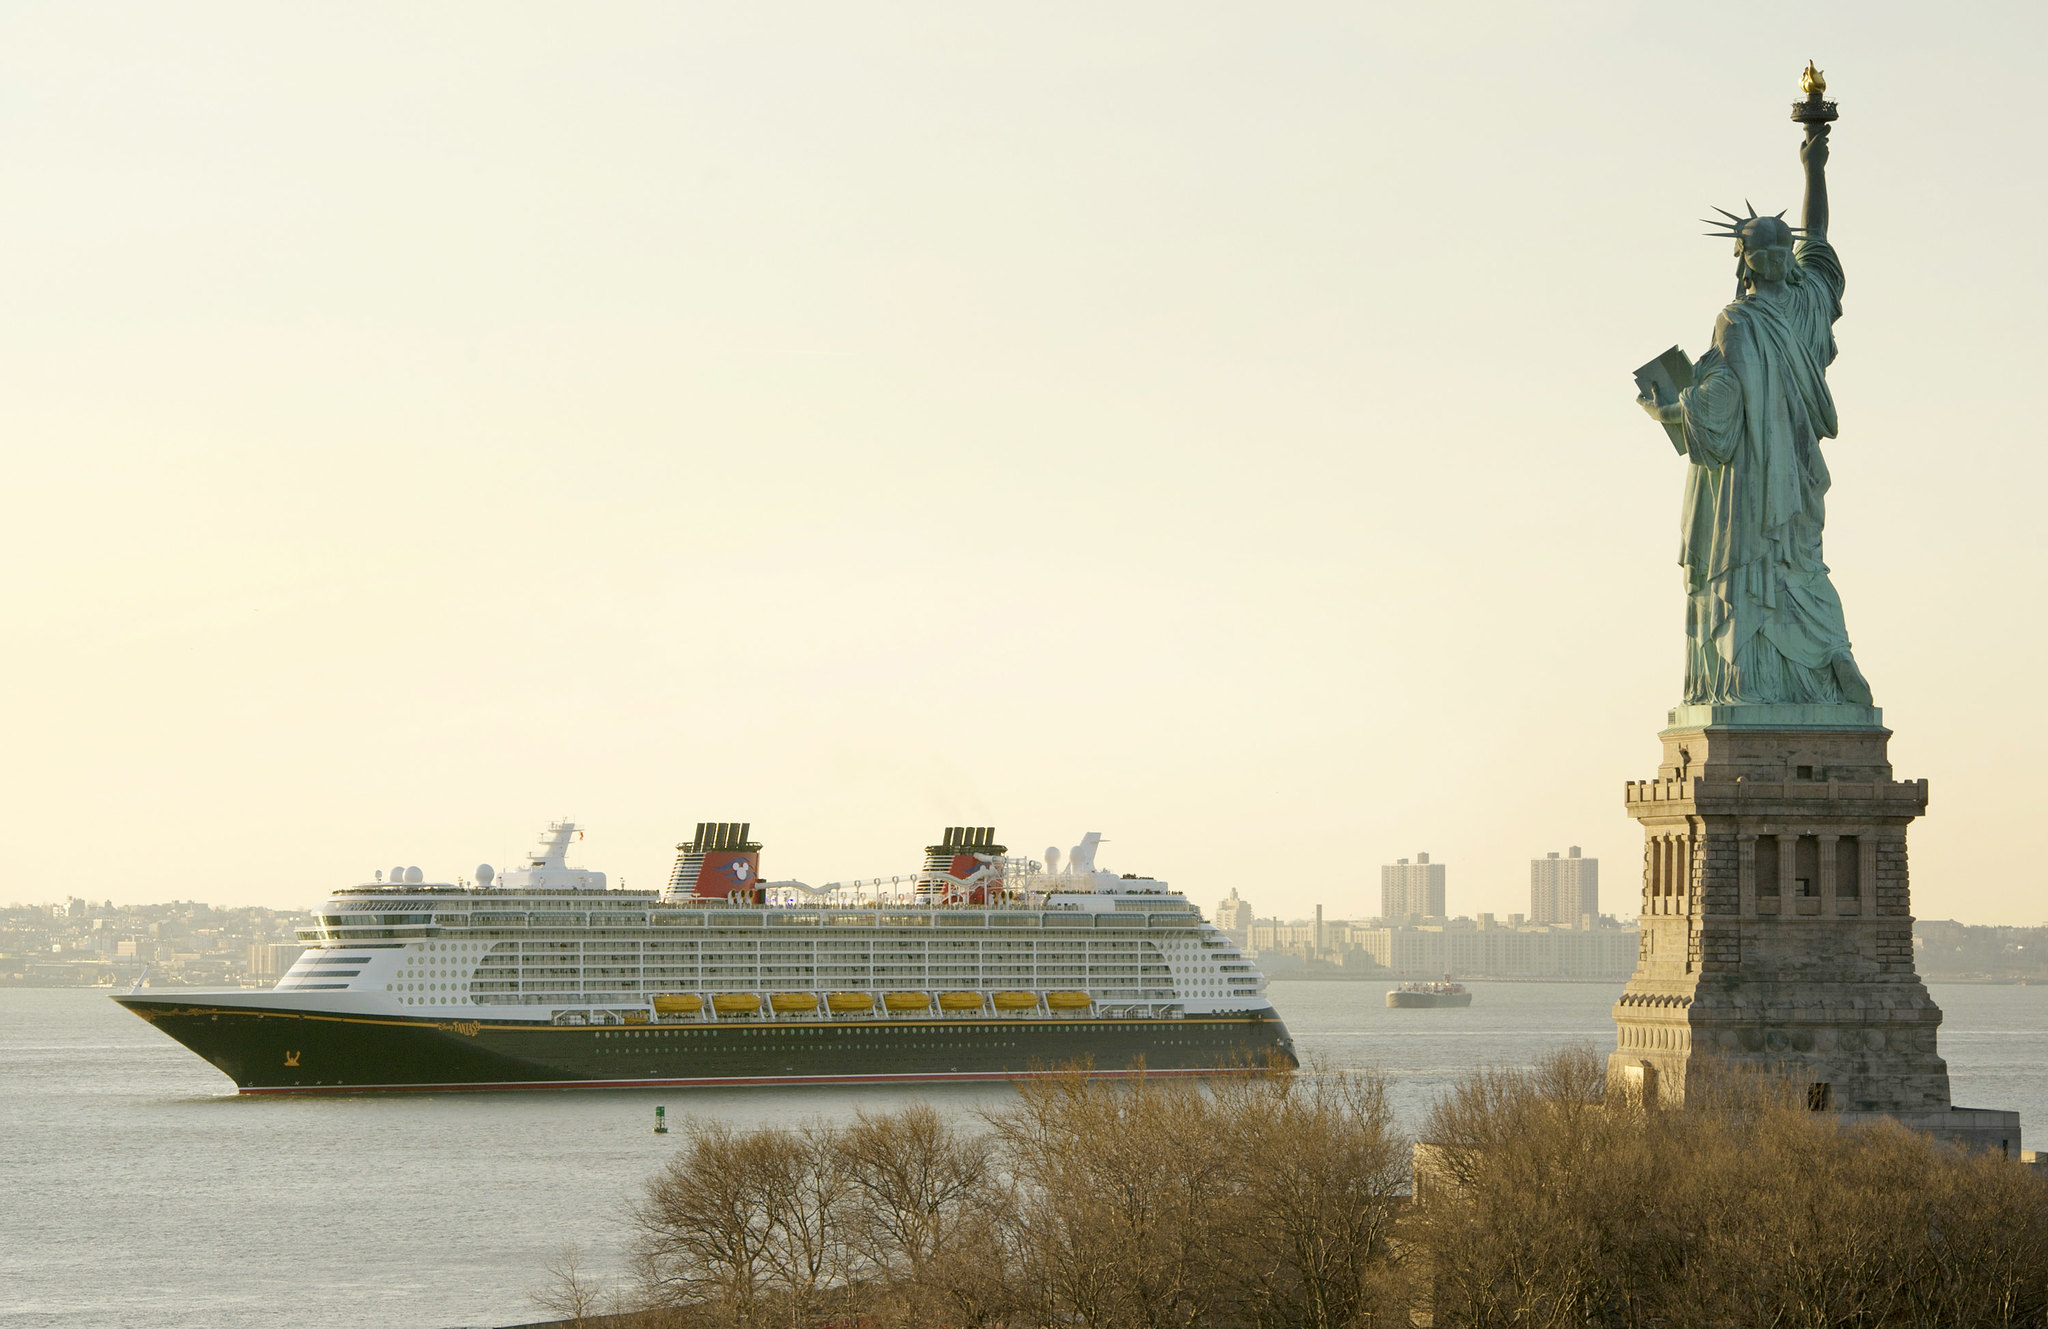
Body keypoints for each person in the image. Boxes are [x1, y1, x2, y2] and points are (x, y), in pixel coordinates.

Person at [1636, 123, 1873, 707]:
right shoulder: (1808, 302)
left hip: (1751, 487)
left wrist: (1666, 408)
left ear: (1744, 261)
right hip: (1793, 475)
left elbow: (1718, 414)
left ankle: (1753, 678)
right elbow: (1816, 237)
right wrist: (1814, 168)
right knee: (1800, 563)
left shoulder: (1736, 321)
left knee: (1763, 567)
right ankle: (1825, 662)